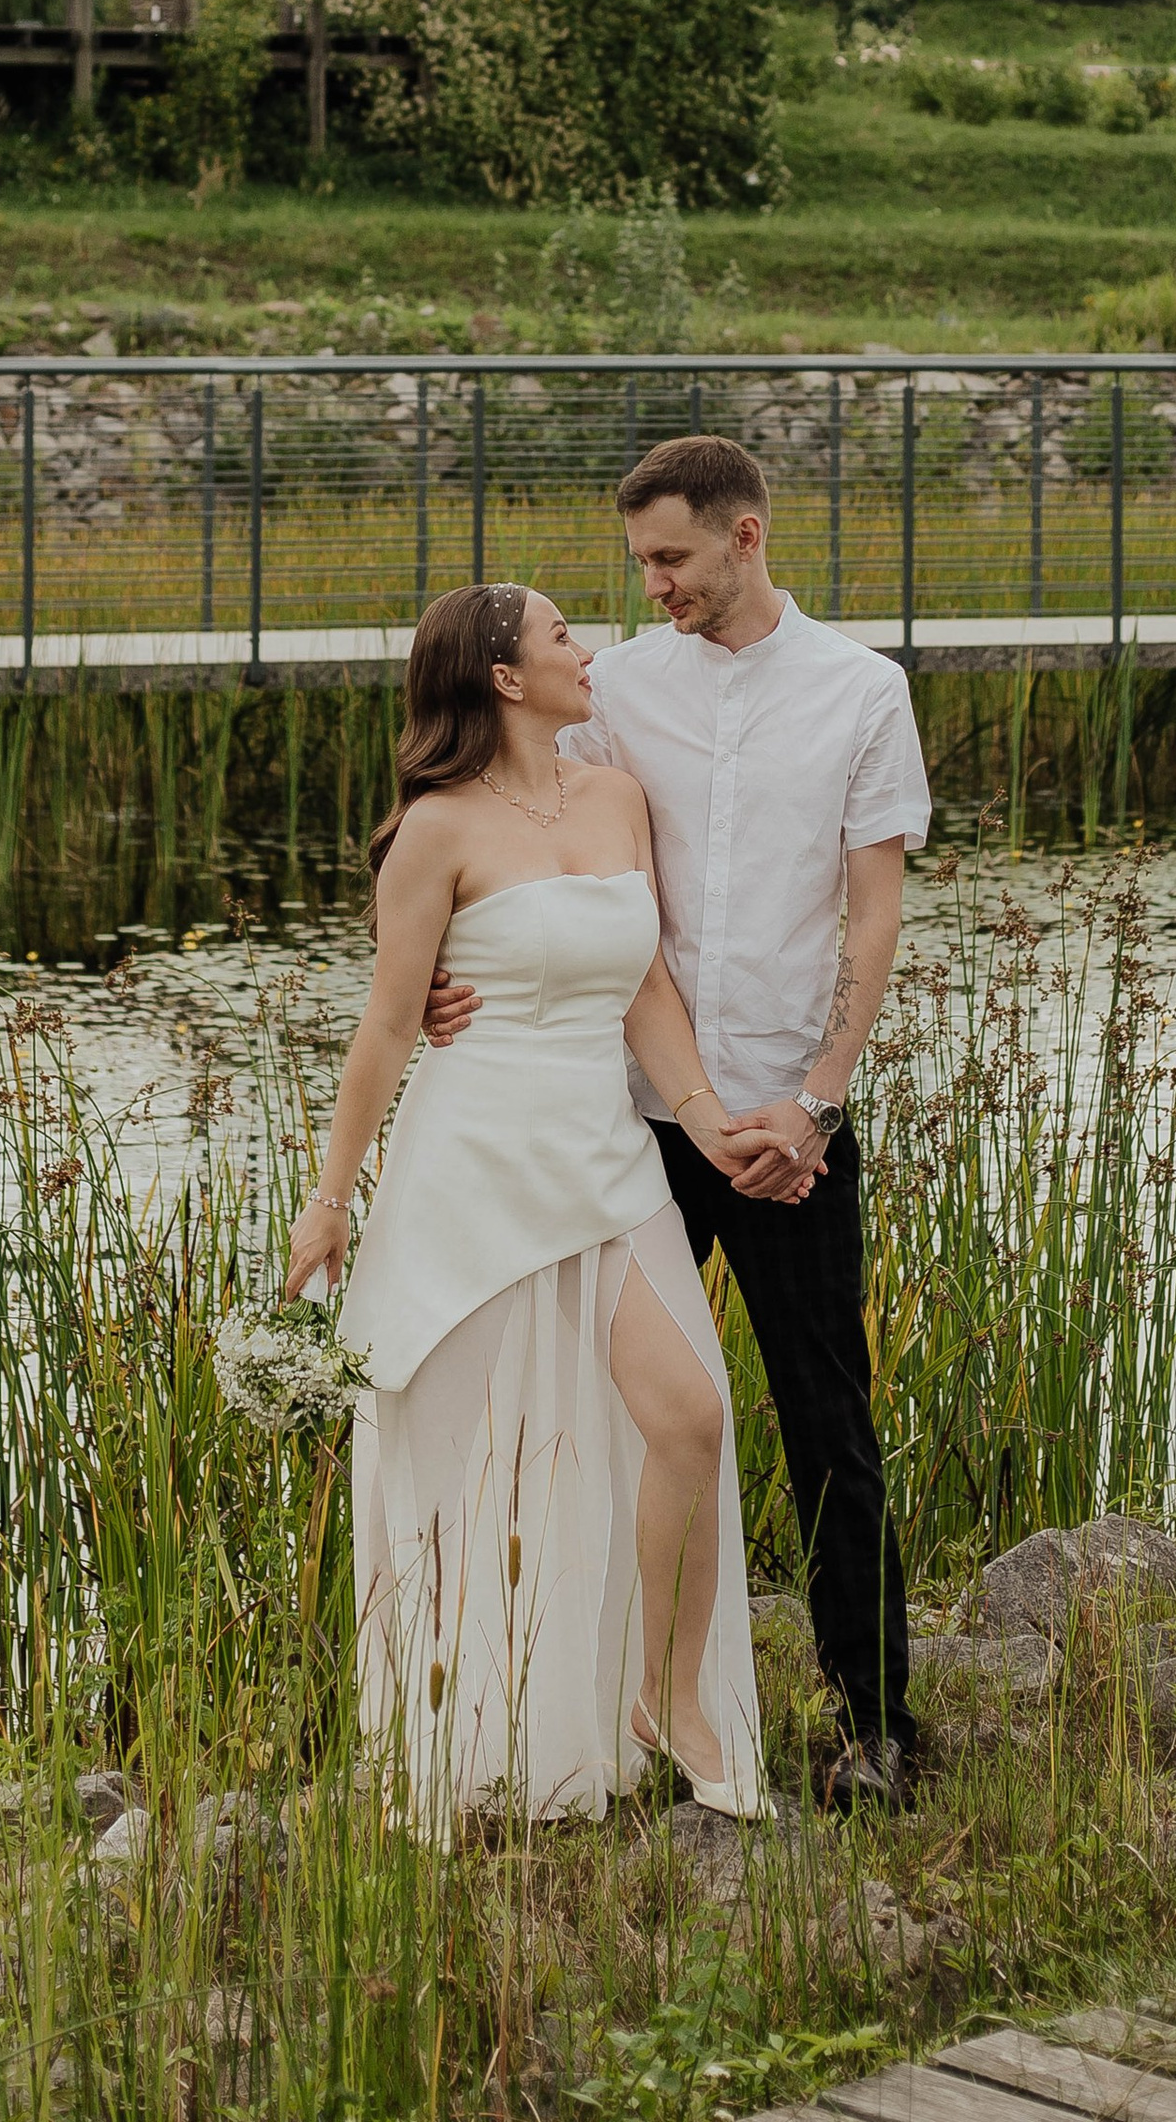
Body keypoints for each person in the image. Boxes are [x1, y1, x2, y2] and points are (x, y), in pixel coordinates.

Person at [427, 435, 930, 1810]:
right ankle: (593, 1711)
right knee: (603, 1416)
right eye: (638, 561)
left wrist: (818, 1096)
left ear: (747, 536)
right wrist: (433, 977)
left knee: (830, 1419)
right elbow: (498, 816)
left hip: (786, 1126)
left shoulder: (861, 693)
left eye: (672, 559)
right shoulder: (614, 693)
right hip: (629, 1121)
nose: (650, 585)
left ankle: (876, 1726)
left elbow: (874, 911)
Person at [285, 578, 805, 1833]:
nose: (592, 648)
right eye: (564, 633)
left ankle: (664, 1699)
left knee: (689, 1415)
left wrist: (701, 1118)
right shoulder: (436, 829)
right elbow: (388, 1020)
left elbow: (645, 993)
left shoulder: (616, 796)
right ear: (507, 678)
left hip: (603, 1150)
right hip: (472, 1158)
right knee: (466, 1461)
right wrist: (328, 1197)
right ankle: (467, 1732)